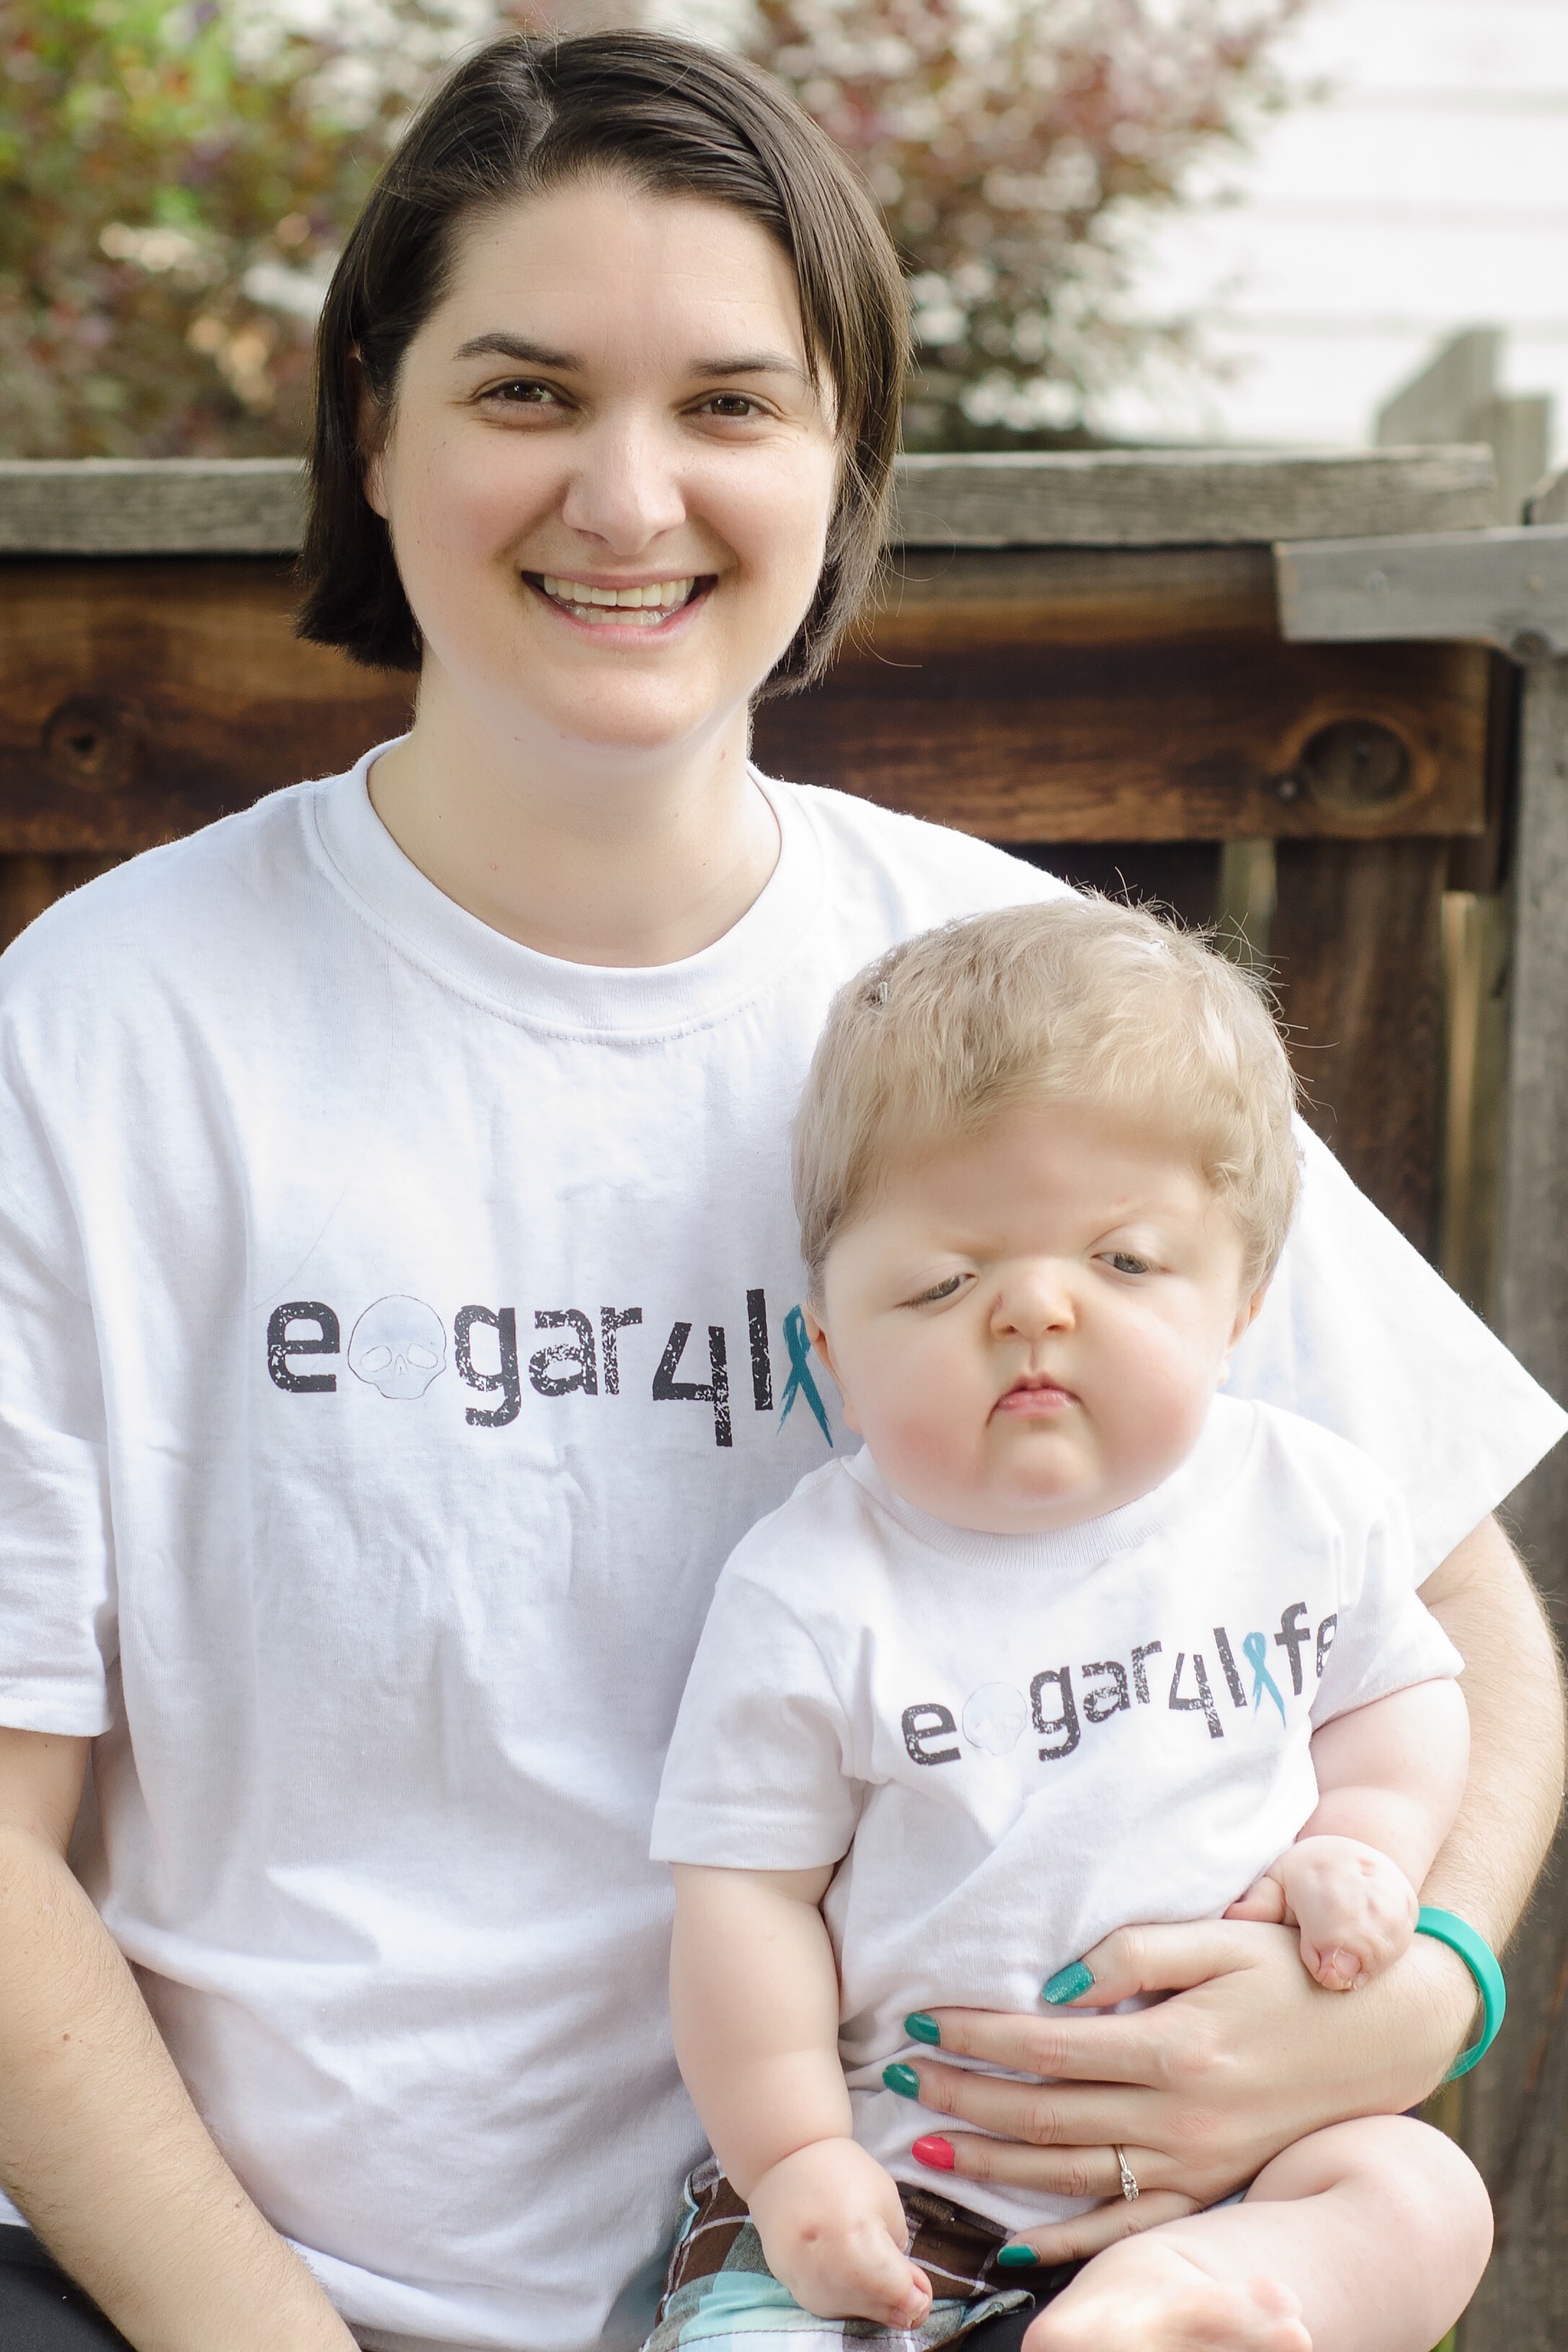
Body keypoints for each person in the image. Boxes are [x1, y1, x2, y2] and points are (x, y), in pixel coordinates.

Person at [0, 27, 1558, 2352]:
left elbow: (1458, 1614)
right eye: (526, 392)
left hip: (974, 2281)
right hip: (248, 2296)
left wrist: (1414, 1988)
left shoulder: (1012, 998)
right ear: (373, 427)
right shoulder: (102, 1034)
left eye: (731, 403)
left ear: (844, 462)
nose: (628, 498)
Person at [648, 898, 1491, 2352]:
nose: (1035, 1309)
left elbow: (1399, 1697)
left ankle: (1176, 2308)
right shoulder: (815, 1588)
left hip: (1234, 2179)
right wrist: (792, 2159)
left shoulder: (1307, 1504)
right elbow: (747, 1902)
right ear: (832, 1349)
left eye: (1125, 1262)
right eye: (944, 1281)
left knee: (1421, 2194)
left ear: (1243, 1306)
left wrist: (1367, 1844)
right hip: (903, 2185)